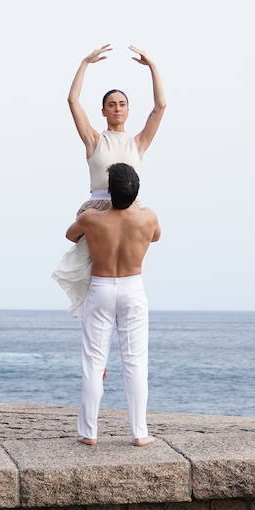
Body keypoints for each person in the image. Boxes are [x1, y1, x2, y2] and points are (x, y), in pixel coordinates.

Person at [52, 44, 166, 318]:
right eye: (111, 105)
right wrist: (84, 63)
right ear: (103, 111)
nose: (117, 108)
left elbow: (160, 107)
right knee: (93, 283)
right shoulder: (94, 140)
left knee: (126, 275)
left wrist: (152, 66)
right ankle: (97, 347)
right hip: (98, 210)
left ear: (128, 110)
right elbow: (73, 102)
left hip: (129, 208)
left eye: (122, 104)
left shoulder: (138, 143)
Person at [65, 163, 161, 447]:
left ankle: (89, 433)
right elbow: (156, 236)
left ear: (109, 190)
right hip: (133, 287)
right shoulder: (148, 217)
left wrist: (94, 210)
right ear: (136, 191)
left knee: (94, 362)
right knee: (135, 361)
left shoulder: (92, 218)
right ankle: (139, 433)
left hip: (102, 286)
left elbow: (70, 235)